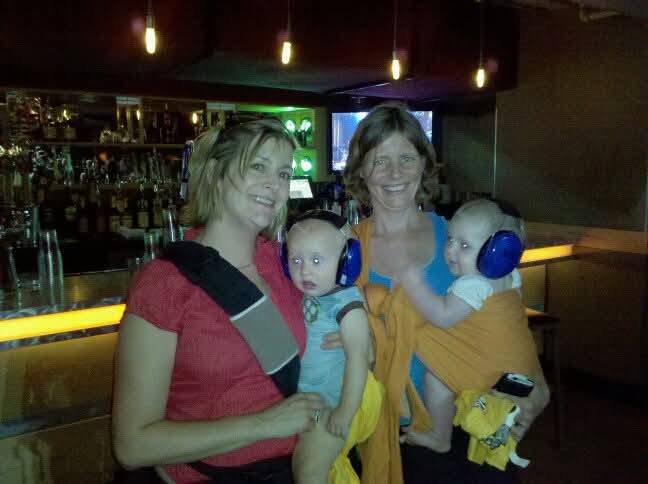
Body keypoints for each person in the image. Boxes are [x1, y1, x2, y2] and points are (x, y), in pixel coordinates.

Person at [341, 102, 550, 484]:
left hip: (473, 421)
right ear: (360, 170)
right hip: (393, 431)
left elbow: (506, 320)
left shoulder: (462, 239)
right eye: (379, 160)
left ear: (424, 164)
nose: (394, 173)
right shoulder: (344, 251)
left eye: (406, 158)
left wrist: (539, 388)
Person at [112, 117, 325, 484]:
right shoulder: (164, 284)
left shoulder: (286, 263)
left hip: (294, 469)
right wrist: (265, 424)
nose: (274, 184)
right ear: (215, 174)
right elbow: (132, 446)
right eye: (257, 166)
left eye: (284, 174)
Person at [397, 198, 540, 456]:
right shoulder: (511, 278)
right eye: (450, 239)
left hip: (488, 369)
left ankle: (440, 436)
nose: (451, 250)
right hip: (514, 367)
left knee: (436, 377)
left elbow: (442, 316)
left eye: (464, 245)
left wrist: (414, 283)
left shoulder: (473, 284)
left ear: (496, 253)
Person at [282, 210, 384, 484]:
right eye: (296, 260)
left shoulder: (348, 306)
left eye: (316, 260)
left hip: (331, 403)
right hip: (307, 399)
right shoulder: (310, 293)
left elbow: (358, 359)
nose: (305, 270)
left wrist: (345, 412)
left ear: (345, 262)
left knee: (309, 472)